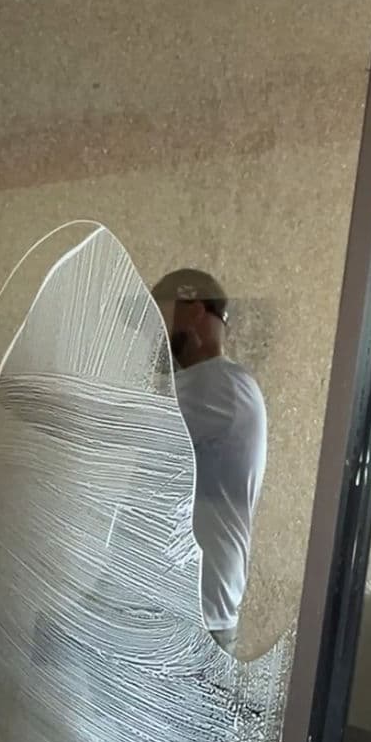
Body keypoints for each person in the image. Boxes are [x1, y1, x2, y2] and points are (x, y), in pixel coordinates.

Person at [151, 268, 267, 652]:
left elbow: (114, 420)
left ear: (194, 310)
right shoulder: (212, 387)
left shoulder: (220, 386)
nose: (156, 333)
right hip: (177, 605)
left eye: (161, 316)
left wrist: (5, 387)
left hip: (192, 615)